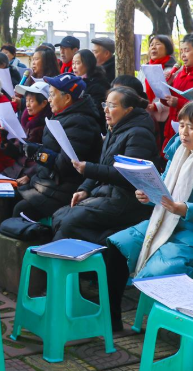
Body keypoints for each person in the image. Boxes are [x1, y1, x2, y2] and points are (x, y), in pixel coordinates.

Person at [104, 100, 193, 331]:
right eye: (181, 125)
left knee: (157, 272)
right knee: (117, 245)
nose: (184, 133)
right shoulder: (178, 149)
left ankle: (169, 332)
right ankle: (112, 321)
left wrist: (185, 209)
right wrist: (149, 195)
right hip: (166, 222)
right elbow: (166, 191)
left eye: (191, 127)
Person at [51, 87, 158, 244]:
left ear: (128, 110)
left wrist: (88, 169)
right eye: (105, 104)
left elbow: (128, 176)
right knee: (59, 215)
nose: (106, 110)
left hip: (127, 200)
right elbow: (103, 164)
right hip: (107, 194)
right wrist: (84, 189)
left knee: (69, 222)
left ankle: (102, 251)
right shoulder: (115, 129)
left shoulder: (139, 134)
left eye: (112, 106)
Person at [13, 74, 102, 220]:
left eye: (52, 95)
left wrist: (38, 154)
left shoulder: (80, 123)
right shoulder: (64, 115)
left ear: (67, 98)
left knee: (20, 209)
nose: (49, 99)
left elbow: (67, 165)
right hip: (46, 184)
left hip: (63, 191)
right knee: (10, 198)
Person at [72, 49, 109, 125]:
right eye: (73, 63)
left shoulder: (97, 85)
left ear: (88, 64)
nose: (74, 67)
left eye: (77, 63)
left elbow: (95, 110)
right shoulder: (76, 82)